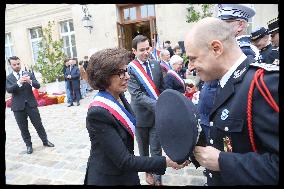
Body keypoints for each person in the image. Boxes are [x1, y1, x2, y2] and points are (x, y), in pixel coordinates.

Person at [185, 17, 278, 185]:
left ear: (216, 48)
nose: (190, 67)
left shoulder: (263, 84)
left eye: (193, 58)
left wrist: (223, 162)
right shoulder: (223, 82)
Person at [84, 48, 189, 185]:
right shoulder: (98, 113)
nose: (127, 76)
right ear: (104, 77)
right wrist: (166, 162)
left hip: (125, 173)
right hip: (109, 177)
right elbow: (124, 160)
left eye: (126, 71)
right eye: (121, 73)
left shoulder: (119, 95)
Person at [127, 35, 165, 186]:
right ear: (134, 51)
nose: (145, 52)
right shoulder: (130, 69)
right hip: (140, 117)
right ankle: (147, 171)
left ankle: (158, 177)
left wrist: (167, 101)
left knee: (156, 149)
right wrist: (159, 105)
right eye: (141, 50)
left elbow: (161, 88)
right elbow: (136, 95)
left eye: (147, 49)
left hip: (157, 117)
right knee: (144, 150)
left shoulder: (156, 65)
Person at [6, 56, 55, 154]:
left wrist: (30, 81)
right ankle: (28, 145)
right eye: (14, 65)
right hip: (18, 107)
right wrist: (19, 82)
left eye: (18, 64)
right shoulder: (9, 78)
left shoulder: (28, 74)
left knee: (38, 124)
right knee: (23, 128)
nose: (17, 66)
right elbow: (9, 90)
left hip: (31, 104)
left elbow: (37, 85)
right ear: (10, 65)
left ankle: (45, 141)